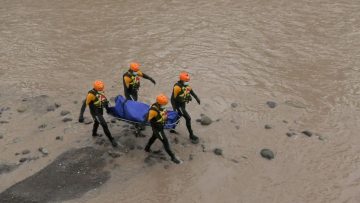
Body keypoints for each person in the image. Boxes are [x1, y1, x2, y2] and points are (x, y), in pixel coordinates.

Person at [145, 94, 181, 164]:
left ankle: (147, 148)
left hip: (159, 127)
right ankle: (172, 157)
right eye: (164, 103)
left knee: (154, 137)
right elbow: (147, 119)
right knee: (165, 142)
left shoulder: (159, 106)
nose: (165, 104)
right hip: (157, 129)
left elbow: (162, 115)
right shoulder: (153, 110)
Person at [83, 80, 118, 147]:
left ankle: (94, 133)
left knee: (96, 122)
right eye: (100, 89)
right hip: (95, 113)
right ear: (96, 88)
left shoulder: (101, 92)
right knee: (104, 125)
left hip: (100, 111)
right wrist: (81, 116)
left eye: (102, 88)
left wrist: (108, 110)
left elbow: (104, 101)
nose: (101, 90)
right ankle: (111, 139)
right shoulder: (90, 95)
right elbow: (85, 105)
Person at [171, 72, 201, 144]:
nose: (187, 82)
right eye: (186, 81)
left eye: (188, 81)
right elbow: (172, 98)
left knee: (179, 115)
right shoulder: (177, 87)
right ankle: (191, 135)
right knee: (188, 118)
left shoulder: (187, 86)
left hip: (183, 104)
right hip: (178, 105)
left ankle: (172, 128)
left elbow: (192, 92)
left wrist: (197, 98)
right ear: (182, 80)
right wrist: (174, 108)